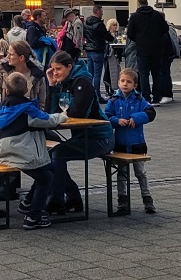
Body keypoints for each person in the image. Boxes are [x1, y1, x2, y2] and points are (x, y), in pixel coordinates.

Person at [0, 71, 68, 230]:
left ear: (6, 90)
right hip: (22, 154)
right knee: (46, 177)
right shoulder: (27, 109)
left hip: (2, 153)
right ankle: (34, 215)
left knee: (50, 168)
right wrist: (62, 116)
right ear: (26, 90)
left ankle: (28, 201)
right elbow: (47, 120)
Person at [44, 51, 113, 215]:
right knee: (49, 154)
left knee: (57, 154)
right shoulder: (63, 82)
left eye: (58, 69)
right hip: (83, 135)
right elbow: (50, 112)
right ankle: (72, 198)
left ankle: (57, 200)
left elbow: (79, 112)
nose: (55, 73)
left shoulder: (83, 82)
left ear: (69, 67)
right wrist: (52, 86)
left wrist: (62, 115)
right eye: (52, 70)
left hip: (100, 137)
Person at [104, 68, 155, 215]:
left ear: (135, 85)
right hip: (120, 144)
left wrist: (136, 118)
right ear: (118, 82)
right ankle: (122, 200)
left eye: (129, 82)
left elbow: (151, 113)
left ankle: (147, 198)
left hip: (137, 143)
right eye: (122, 81)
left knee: (140, 172)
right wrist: (115, 120)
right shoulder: (113, 101)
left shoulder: (139, 100)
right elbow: (106, 116)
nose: (125, 84)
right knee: (121, 173)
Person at [127, 0, 170, 102]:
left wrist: (138, 40)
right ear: (147, 3)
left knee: (143, 74)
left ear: (139, 4)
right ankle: (157, 97)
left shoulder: (135, 16)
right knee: (157, 73)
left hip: (142, 49)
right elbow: (165, 28)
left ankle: (146, 97)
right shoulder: (156, 15)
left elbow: (130, 33)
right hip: (157, 48)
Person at [0, 40, 49, 109]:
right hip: (5, 116)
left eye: (11, 54)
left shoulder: (38, 77)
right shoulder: (1, 72)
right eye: (8, 53)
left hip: (29, 117)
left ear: (21, 58)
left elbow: (42, 104)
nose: (8, 57)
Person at [83, 5, 112, 101]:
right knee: (97, 74)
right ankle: (97, 95)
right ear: (98, 12)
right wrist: (112, 37)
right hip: (98, 50)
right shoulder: (99, 24)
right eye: (102, 11)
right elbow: (108, 37)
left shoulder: (86, 23)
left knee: (90, 74)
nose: (102, 13)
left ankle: (88, 94)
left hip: (89, 50)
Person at [103, 18, 123, 98]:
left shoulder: (118, 34)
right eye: (113, 25)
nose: (115, 27)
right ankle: (107, 90)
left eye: (116, 25)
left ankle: (114, 88)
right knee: (107, 72)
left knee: (116, 73)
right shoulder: (107, 35)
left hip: (116, 55)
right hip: (109, 55)